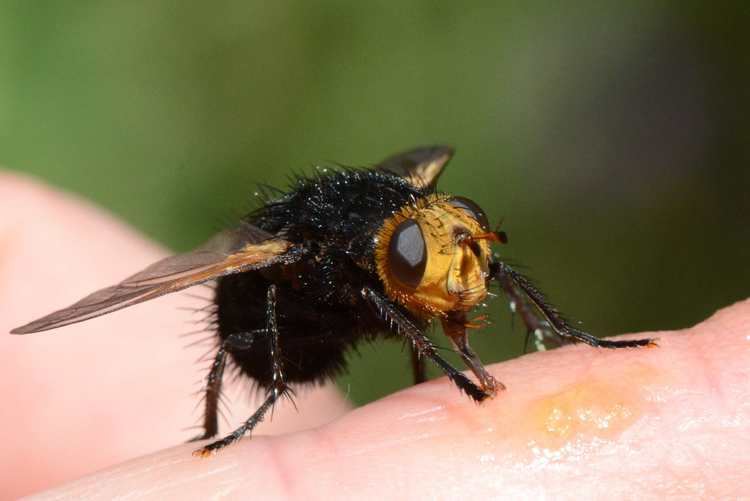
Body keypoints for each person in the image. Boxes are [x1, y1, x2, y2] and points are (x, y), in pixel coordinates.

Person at [2, 172, 748, 499]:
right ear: (385, 249)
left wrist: (577, 340)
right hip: (272, 320)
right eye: (434, 251)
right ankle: (215, 447)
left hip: (353, 279)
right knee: (248, 291)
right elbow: (254, 284)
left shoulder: (408, 242)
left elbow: (436, 268)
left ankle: (564, 335)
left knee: (449, 280)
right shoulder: (327, 259)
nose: (461, 267)